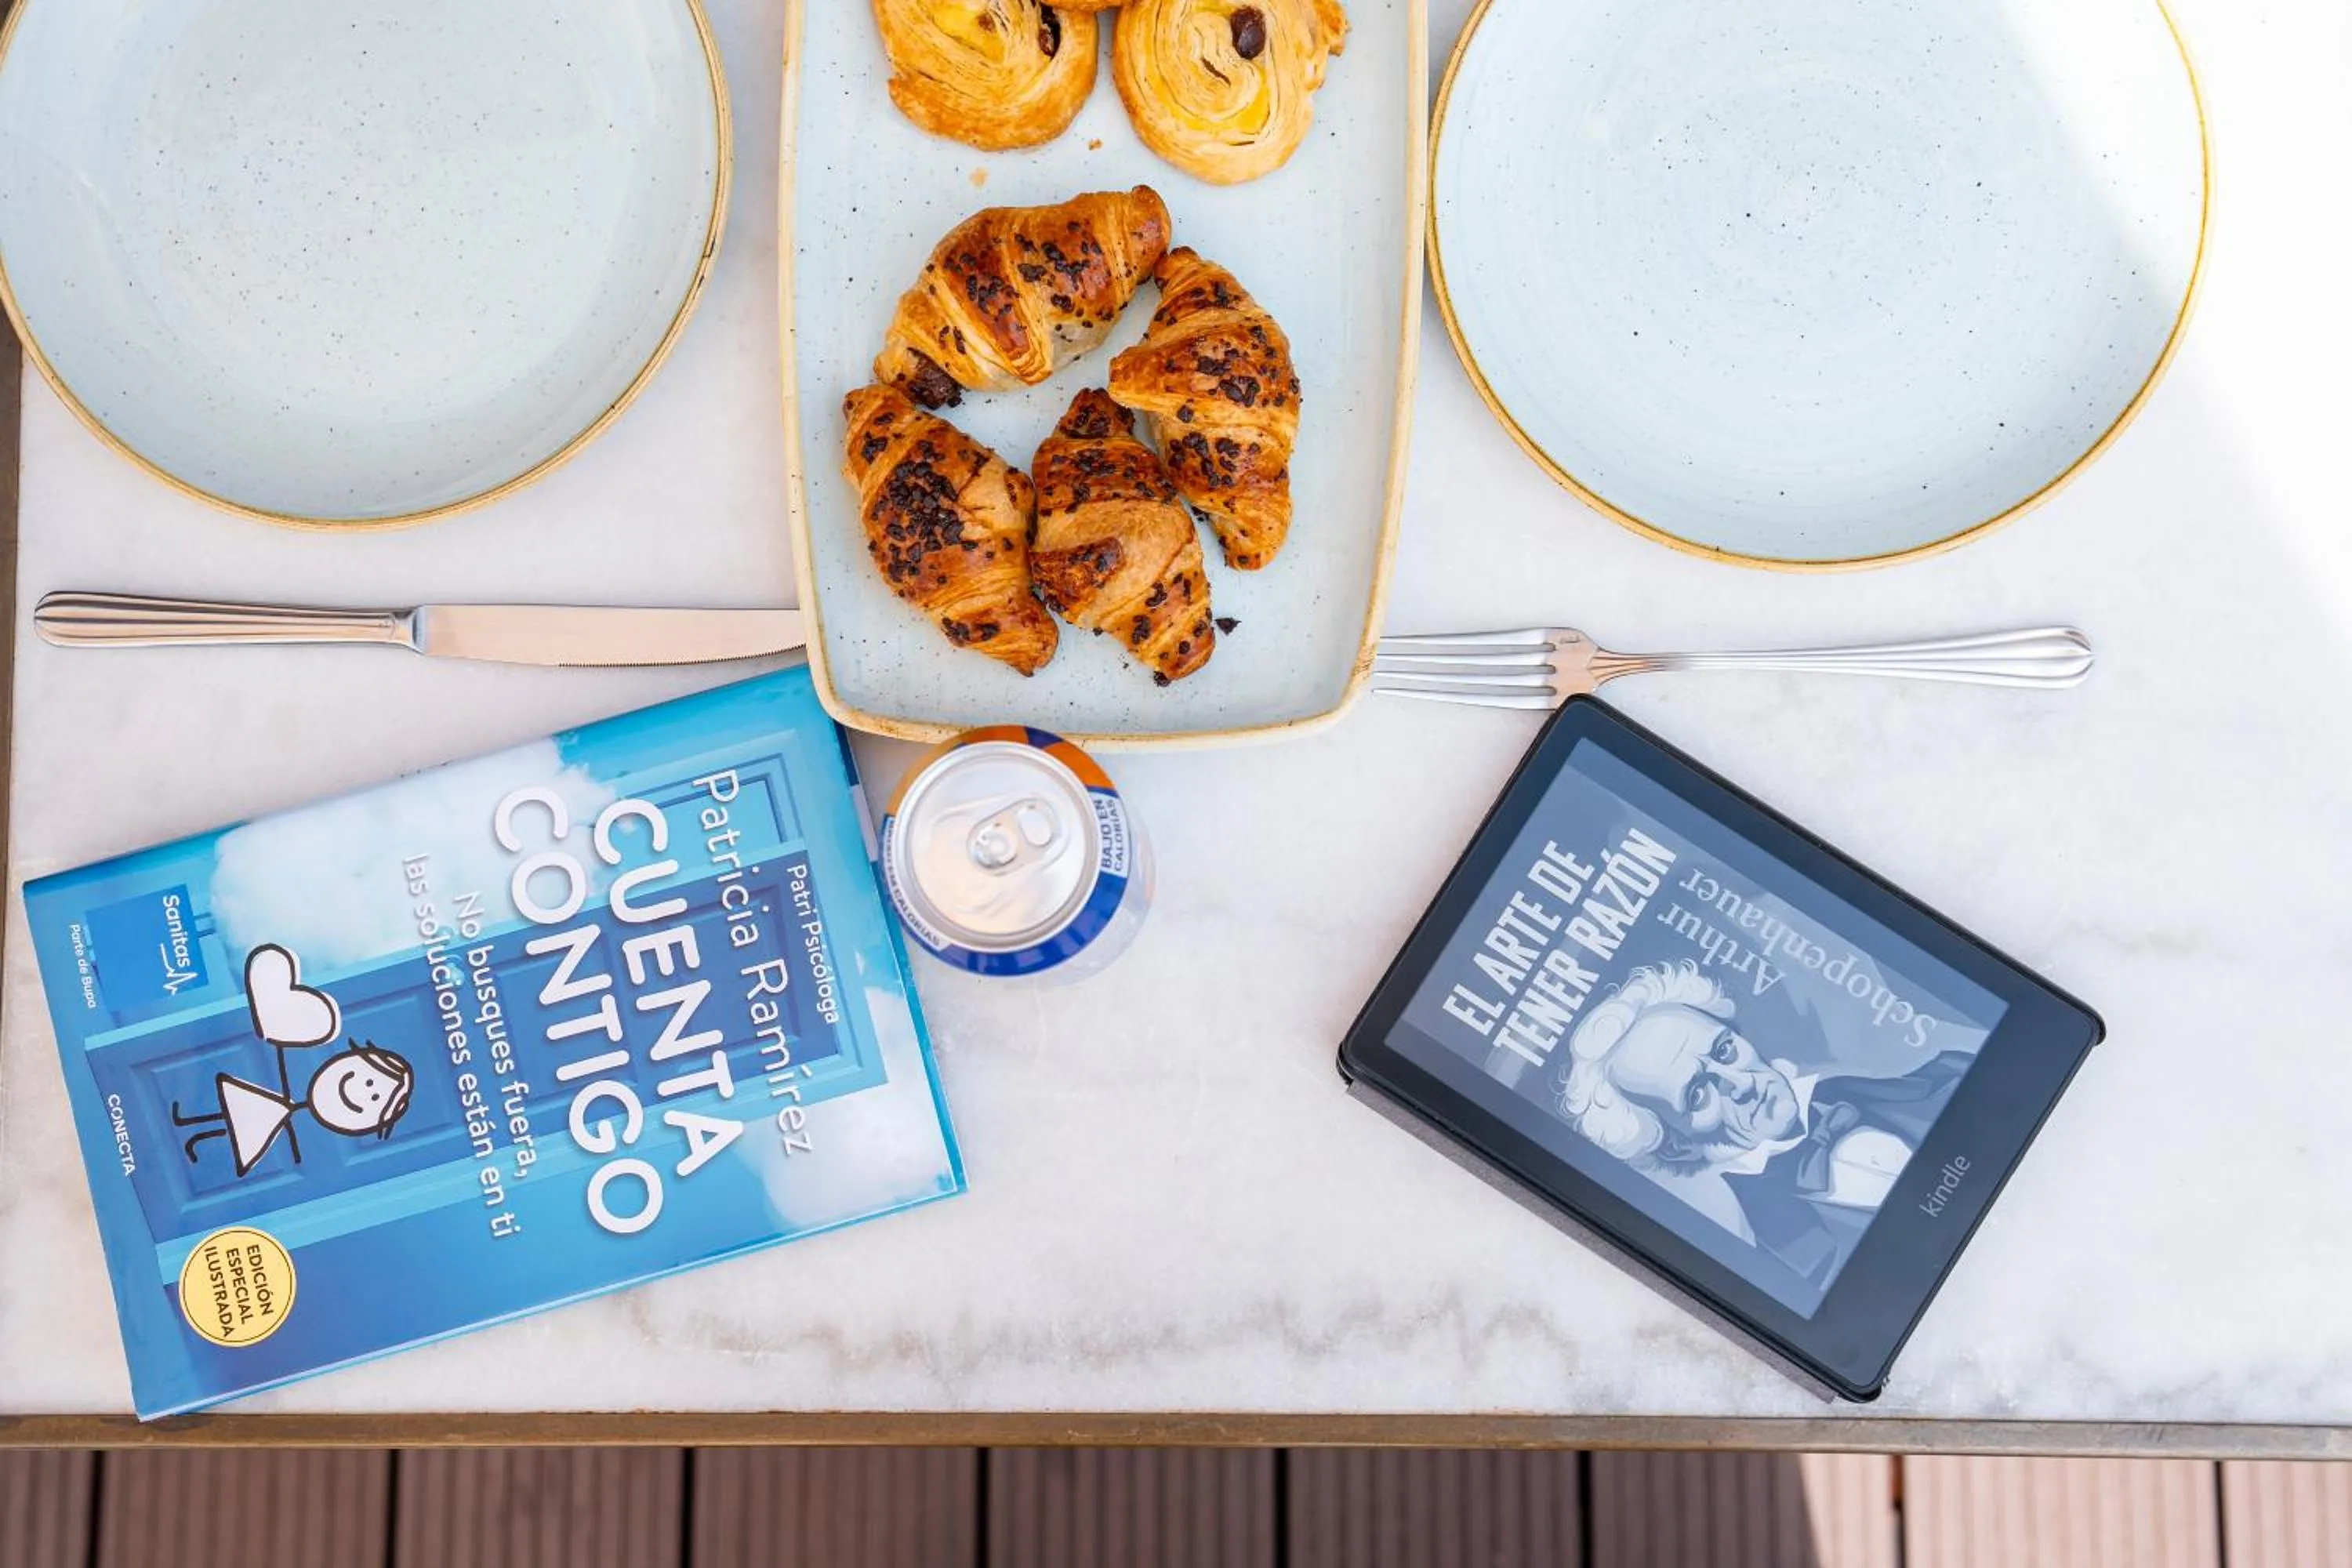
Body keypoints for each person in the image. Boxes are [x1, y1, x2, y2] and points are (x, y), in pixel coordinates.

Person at [1555, 962, 1967, 1284]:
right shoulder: (1775, 1255)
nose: (1741, 1083)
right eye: (1699, 1093)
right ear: (1677, 1144)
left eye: (1724, 1050)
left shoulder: (1940, 1078)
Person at [172, 1041, 414, 1176]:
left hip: (278, 1113)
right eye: (369, 1082)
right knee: (236, 1113)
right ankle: (187, 1125)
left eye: (374, 1098)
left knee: (238, 1126)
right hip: (276, 1106)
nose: (363, 1092)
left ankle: (194, 1138)